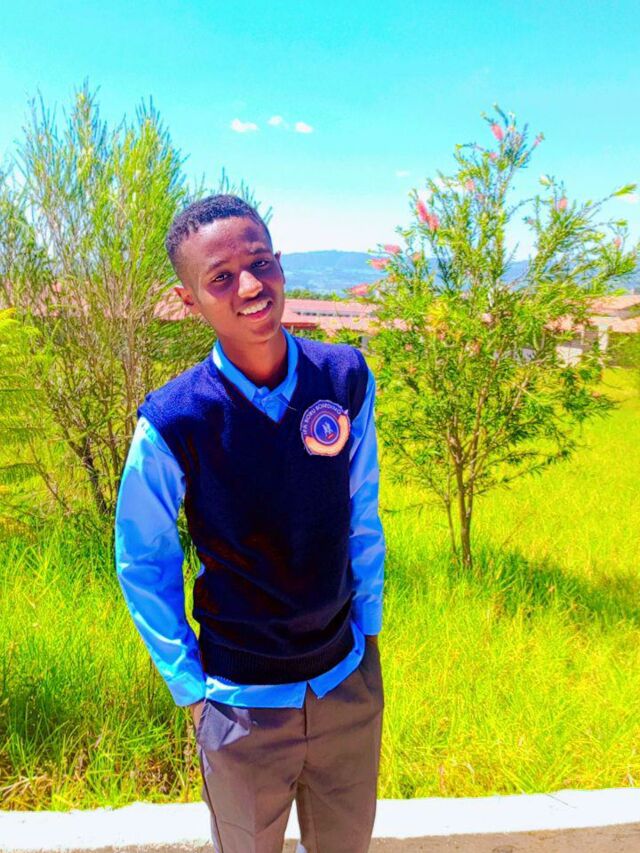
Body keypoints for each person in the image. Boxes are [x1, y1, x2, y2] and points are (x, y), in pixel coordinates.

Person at [114, 194, 385, 853]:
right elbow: (143, 561)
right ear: (188, 300)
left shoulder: (343, 378)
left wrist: (369, 639)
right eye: (221, 277)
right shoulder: (176, 420)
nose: (250, 286)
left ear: (280, 263)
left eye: (260, 262)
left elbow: (362, 516)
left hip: (345, 679)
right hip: (240, 704)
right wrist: (192, 690)